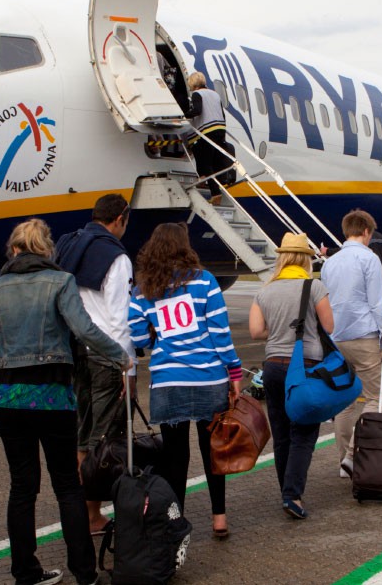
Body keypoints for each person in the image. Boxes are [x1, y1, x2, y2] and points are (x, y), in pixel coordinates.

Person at [0, 219, 131, 585]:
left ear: (14, 250)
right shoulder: (60, 282)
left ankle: (25, 572)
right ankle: (85, 573)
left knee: (22, 487)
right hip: (52, 397)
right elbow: (85, 330)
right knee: (67, 486)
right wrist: (120, 357)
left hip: (9, 399)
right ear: (48, 250)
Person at [128, 223, 243, 538]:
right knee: (213, 451)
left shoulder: (143, 289)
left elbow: (137, 336)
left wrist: (156, 340)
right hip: (209, 377)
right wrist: (234, 371)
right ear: (185, 246)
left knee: (175, 457)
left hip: (169, 380)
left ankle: (176, 520)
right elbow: (220, 333)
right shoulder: (205, 281)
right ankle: (219, 518)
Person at [53, 193, 136, 536]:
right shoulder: (116, 257)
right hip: (106, 355)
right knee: (105, 439)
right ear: (119, 219)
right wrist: (128, 368)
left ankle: (79, 510)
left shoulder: (68, 245)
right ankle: (92, 515)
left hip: (76, 351)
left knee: (82, 435)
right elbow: (119, 319)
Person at [248, 233, 335, 520]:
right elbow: (329, 326)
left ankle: (286, 490)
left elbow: (256, 331)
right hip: (306, 365)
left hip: (273, 366)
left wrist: (279, 331)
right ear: (305, 260)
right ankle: (292, 494)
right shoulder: (314, 286)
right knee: (304, 432)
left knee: (282, 432)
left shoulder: (265, 290)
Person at [321, 209, 382, 478]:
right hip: (363, 335)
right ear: (366, 231)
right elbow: (378, 304)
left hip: (336, 338)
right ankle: (354, 455)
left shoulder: (330, 262)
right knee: (378, 396)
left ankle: (344, 459)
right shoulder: (369, 258)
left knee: (345, 401)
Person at [184, 72, 233, 199]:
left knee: (205, 161)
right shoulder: (215, 94)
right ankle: (203, 178)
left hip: (208, 130)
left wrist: (183, 115)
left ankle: (215, 193)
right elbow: (222, 114)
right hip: (220, 129)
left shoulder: (197, 94)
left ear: (193, 84)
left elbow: (197, 110)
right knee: (209, 157)